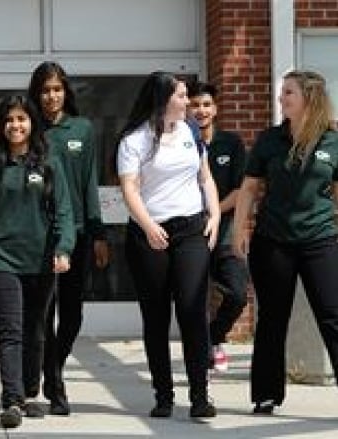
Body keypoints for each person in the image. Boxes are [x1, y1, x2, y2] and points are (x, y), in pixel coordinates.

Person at [0, 94, 75, 429]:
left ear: (32, 123)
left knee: (36, 331)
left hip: (41, 260)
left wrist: (64, 248)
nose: (15, 125)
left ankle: (27, 393)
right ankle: (11, 400)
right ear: (1, 126)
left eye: (21, 119)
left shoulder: (49, 163)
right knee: (10, 331)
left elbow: (64, 211)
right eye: (9, 120)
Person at [115, 71, 221, 418]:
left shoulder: (191, 130)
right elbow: (129, 189)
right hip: (150, 236)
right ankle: (163, 395)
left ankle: (200, 396)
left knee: (193, 312)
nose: (187, 102)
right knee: (157, 317)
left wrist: (215, 214)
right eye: (181, 96)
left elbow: (204, 177)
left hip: (191, 231)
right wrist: (148, 226)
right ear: (162, 100)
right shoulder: (135, 140)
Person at [232, 70, 338, 415]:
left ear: (309, 97)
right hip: (273, 241)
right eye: (282, 93)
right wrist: (239, 231)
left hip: (320, 240)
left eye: (288, 93)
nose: (281, 99)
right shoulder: (269, 139)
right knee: (272, 319)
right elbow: (249, 188)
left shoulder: (332, 142)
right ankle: (266, 395)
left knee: (332, 316)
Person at [27, 61, 110, 415]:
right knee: (43, 315)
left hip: (76, 234)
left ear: (66, 92)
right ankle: (56, 387)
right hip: (39, 236)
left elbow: (89, 183)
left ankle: (52, 367)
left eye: (57, 89)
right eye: (45, 90)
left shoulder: (83, 129)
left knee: (72, 316)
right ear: (37, 94)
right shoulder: (29, 130)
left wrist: (98, 233)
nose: (51, 96)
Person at [187, 81, 249, 372]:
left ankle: (215, 337)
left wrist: (213, 212)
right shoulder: (180, 143)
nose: (201, 110)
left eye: (206, 105)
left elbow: (240, 191)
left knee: (237, 293)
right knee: (194, 299)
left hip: (223, 234)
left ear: (215, 109)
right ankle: (201, 353)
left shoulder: (231, 144)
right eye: (195, 105)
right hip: (190, 235)